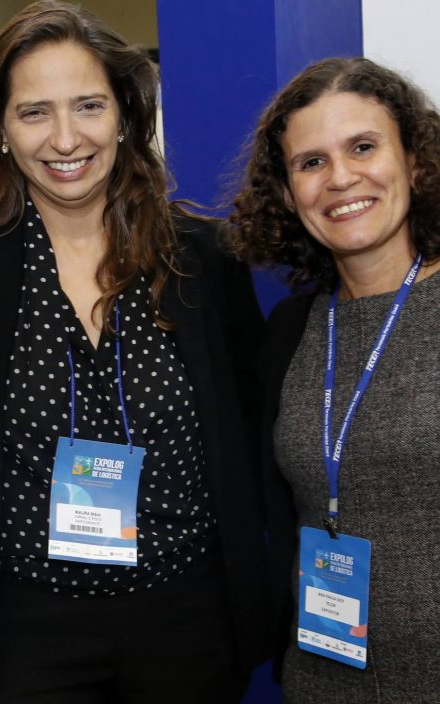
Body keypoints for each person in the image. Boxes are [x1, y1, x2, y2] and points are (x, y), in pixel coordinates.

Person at [0, 1, 271, 702]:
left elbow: (251, 424)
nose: (65, 137)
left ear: (127, 118)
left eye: (89, 106)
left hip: (188, 618)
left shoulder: (200, 258)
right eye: (34, 111)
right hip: (28, 632)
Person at [230, 56, 440, 703]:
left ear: (414, 160)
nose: (340, 177)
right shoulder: (293, 330)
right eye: (311, 162)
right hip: (325, 676)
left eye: (364, 146)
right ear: (288, 193)